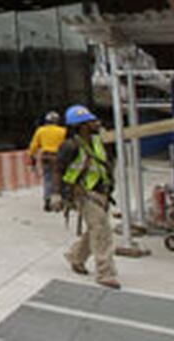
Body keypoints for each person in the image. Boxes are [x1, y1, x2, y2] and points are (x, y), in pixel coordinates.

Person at [54, 104, 119, 289]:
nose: (96, 123)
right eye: (91, 121)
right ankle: (105, 273)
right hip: (83, 193)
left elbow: (108, 161)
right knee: (102, 231)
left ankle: (76, 257)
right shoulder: (70, 146)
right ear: (81, 126)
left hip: (102, 192)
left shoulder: (99, 141)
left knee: (95, 229)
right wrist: (57, 194)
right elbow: (58, 170)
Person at [27, 110, 67, 211]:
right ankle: (61, 200)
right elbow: (66, 145)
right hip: (59, 157)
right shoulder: (63, 131)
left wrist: (31, 155)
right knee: (61, 178)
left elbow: (33, 145)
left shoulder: (40, 131)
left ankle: (47, 200)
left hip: (46, 157)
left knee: (47, 178)